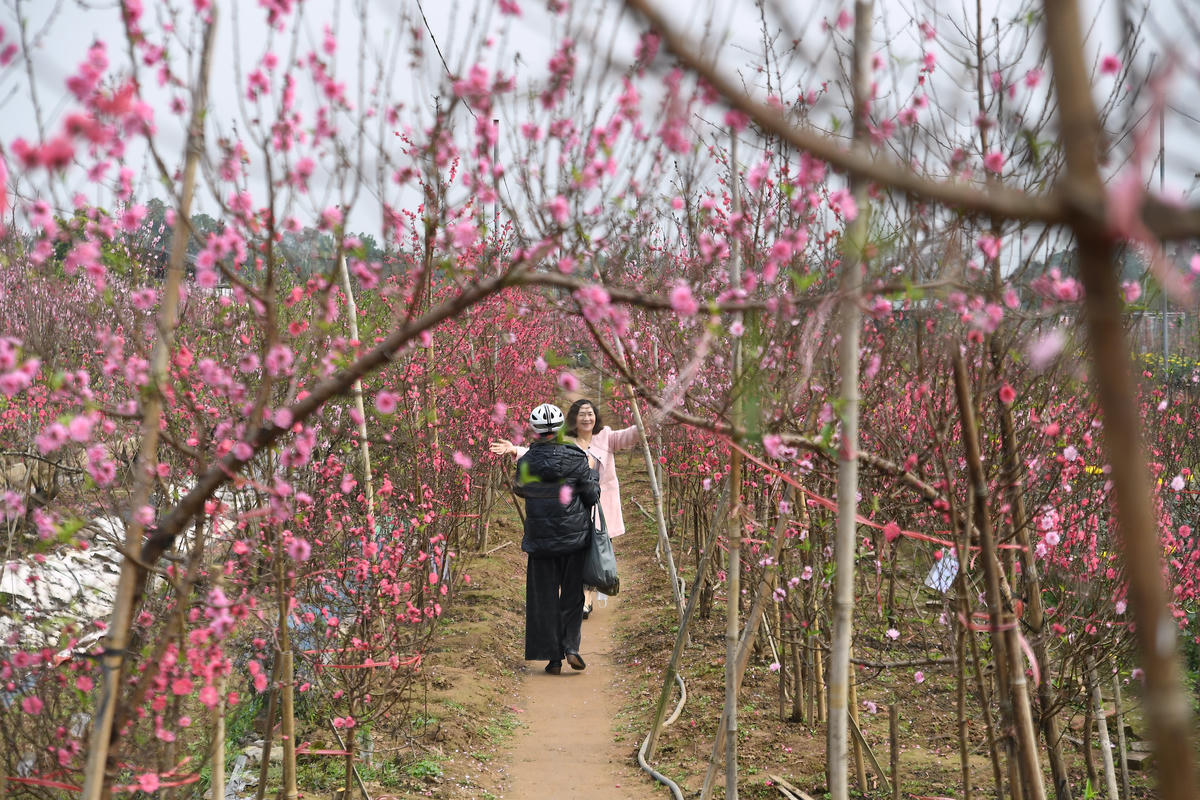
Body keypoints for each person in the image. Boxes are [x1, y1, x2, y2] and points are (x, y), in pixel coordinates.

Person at [492, 398, 640, 618]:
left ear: (596, 417)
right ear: (573, 418)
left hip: (600, 505)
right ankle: (576, 597)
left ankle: (586, 600)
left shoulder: (607, 436)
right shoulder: (566, 441)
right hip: (573, 508)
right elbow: (543, 457)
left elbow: (632, 435)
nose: (587, 418)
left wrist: (649, 419)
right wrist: (514, 449)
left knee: (594, 553)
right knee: (576, 554)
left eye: (590, 414)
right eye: (581, 414)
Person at [512, 402, 600, 675]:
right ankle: (571, 647)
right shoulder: (576, 457)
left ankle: (553, 659)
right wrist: (592, 474)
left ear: (535, 431)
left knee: (544, 598)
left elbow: (521, 490)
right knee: (572, 595)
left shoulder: (526, 461)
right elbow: (591, 496)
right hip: (574, 540)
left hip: (540, 541)